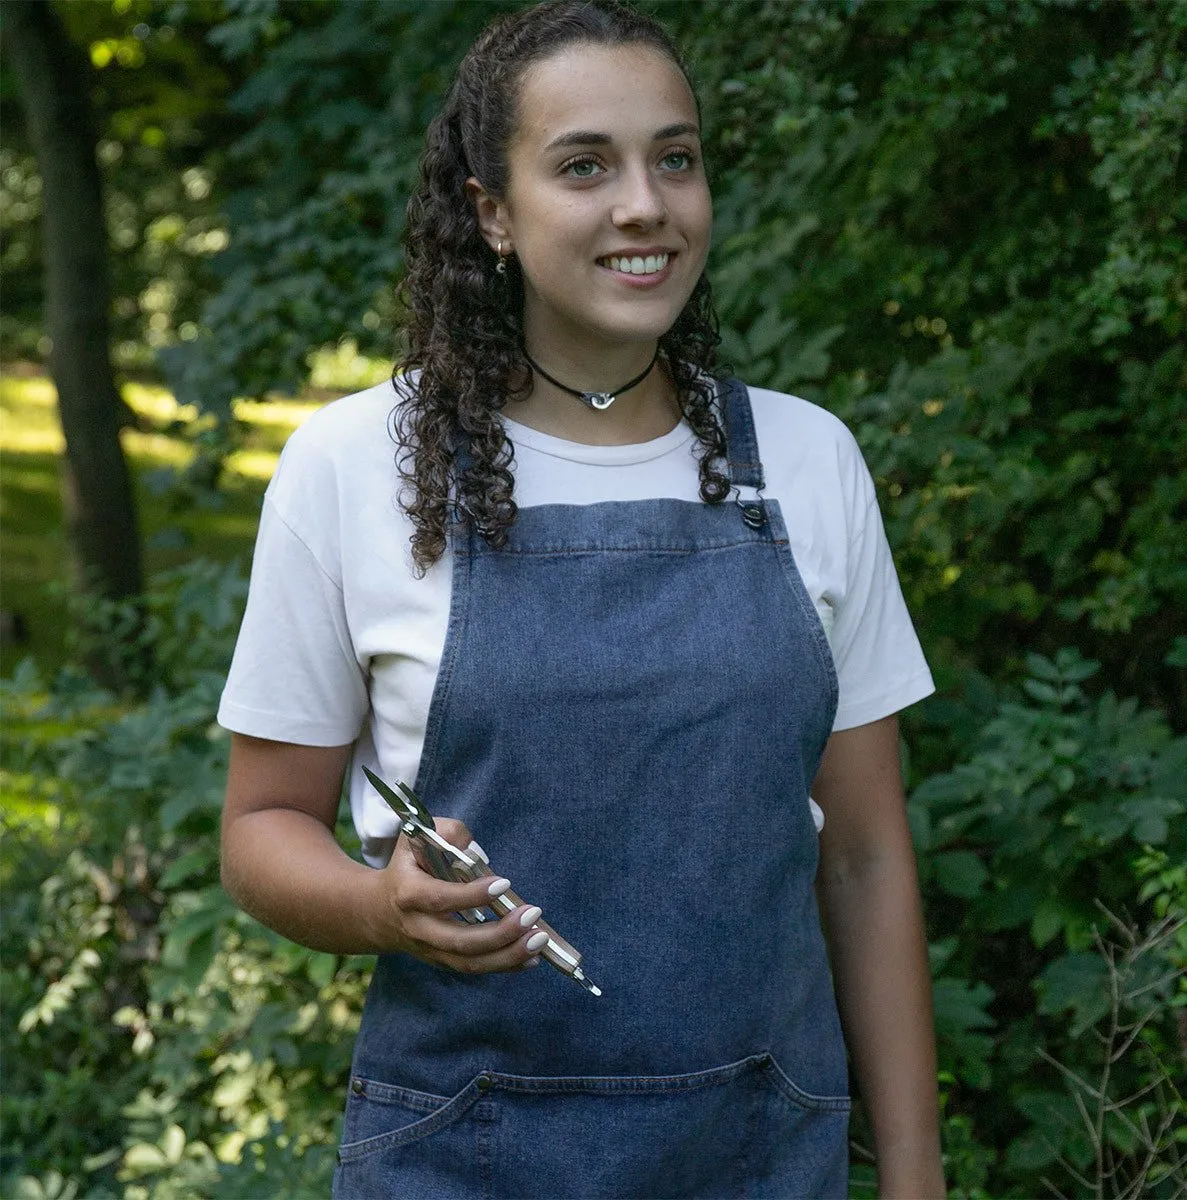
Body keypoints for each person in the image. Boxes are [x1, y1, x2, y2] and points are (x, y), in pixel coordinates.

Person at [218, 2, 946, 1196]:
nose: (644, 202)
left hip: (763, 1150)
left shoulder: (810, 463)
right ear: (490, 211)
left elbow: (864, 858)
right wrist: (380, 908)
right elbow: (260, 832)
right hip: (466, 1151)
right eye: (583, 166)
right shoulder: (352, 470)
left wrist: (915, 1178)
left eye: (676, 157)